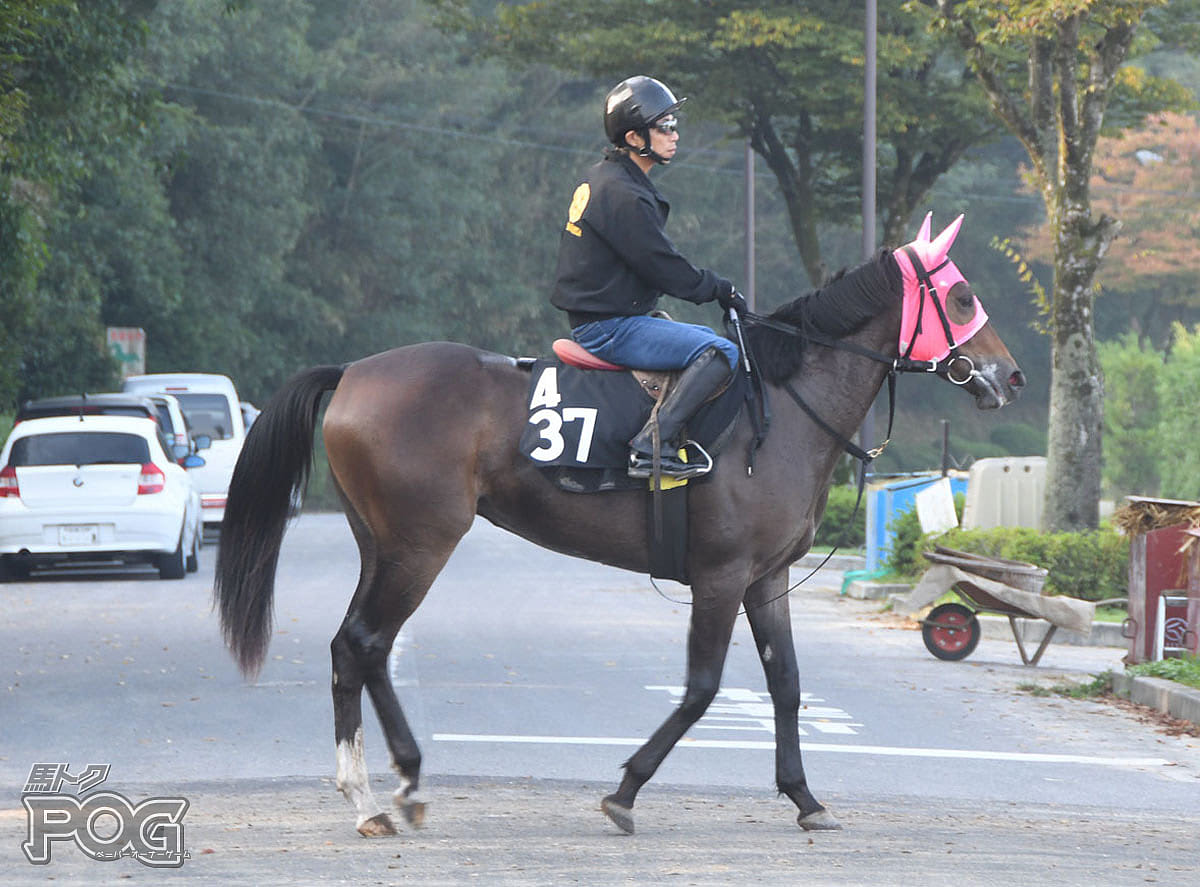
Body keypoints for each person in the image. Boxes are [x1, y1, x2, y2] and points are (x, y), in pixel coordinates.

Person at [550, 75, 746, 479]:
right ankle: (652, 447)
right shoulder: (624, 194)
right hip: (610, 328)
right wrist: (719, 288)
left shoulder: (608, 177)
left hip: (610, 316)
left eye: (674, 124)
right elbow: (664, 266)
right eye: (665, 127)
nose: (675, 135)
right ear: (636, 137)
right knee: (721, 353)